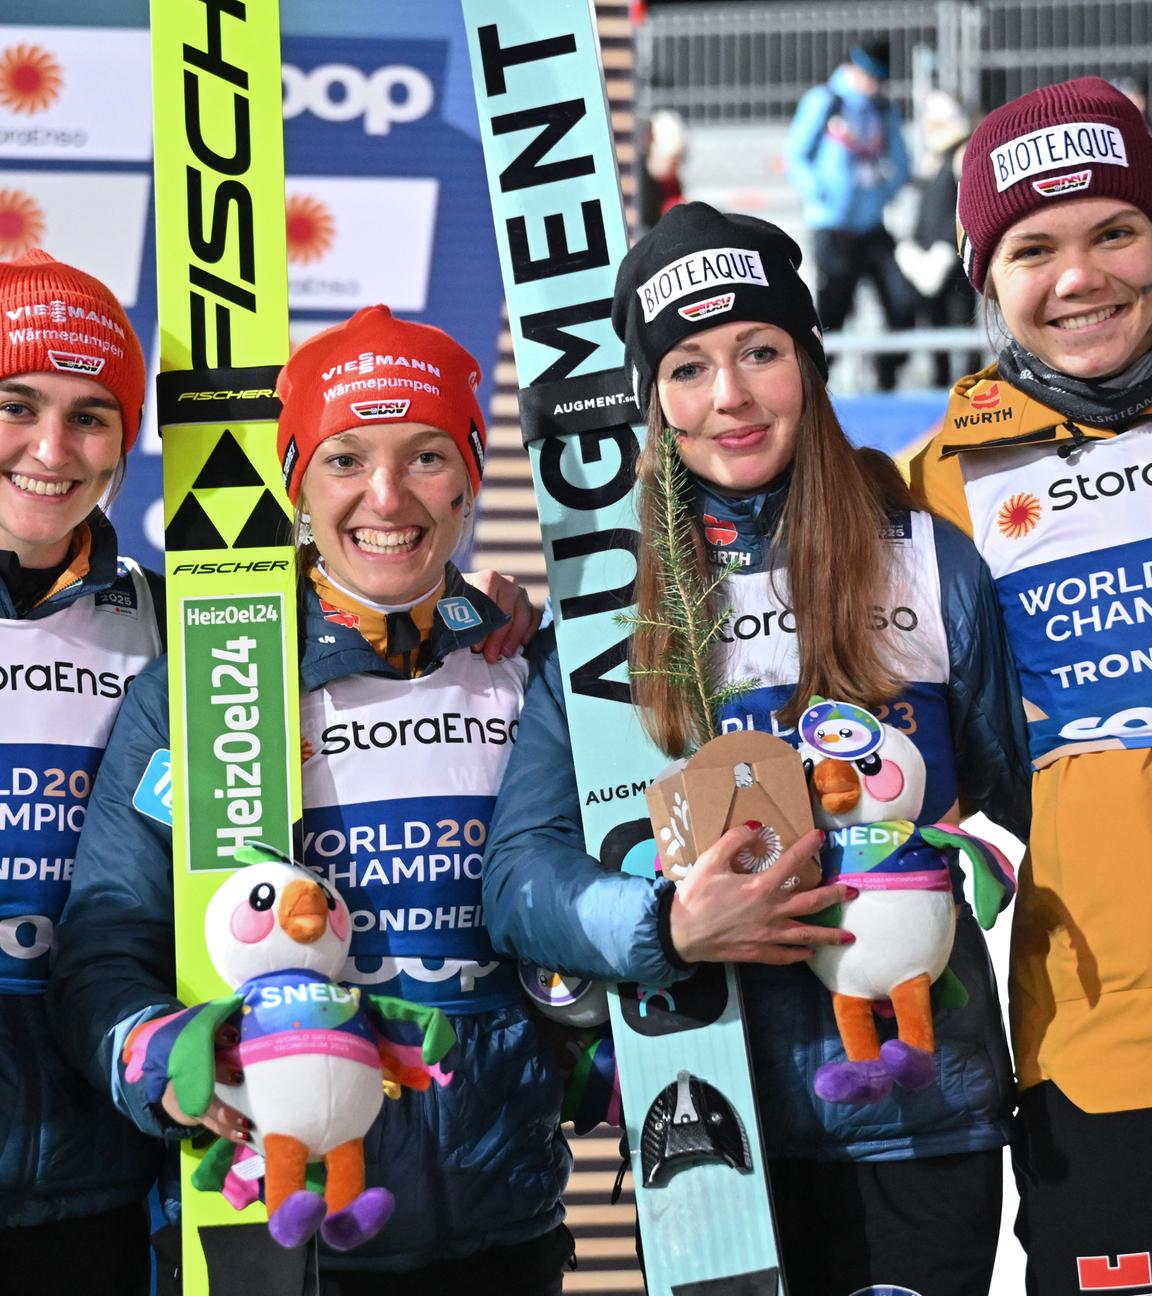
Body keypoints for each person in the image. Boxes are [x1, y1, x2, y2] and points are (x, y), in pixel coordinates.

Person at [484, 202, 1031, 1296]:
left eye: (759, 351)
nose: (729, 396)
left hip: (919, 1116)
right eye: (686, 368)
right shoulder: (608, 615)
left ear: (810, 361)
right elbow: (520, 876)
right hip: (708, 1120)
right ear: (654, 405)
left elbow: (1004, 784)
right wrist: (665, 922)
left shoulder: (928, 561)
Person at [47, 306, 572, 1294]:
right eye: (344, 459)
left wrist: (585, 1037)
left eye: (425, 455)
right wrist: (165, 1059)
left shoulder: (525, 668)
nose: (386, 496)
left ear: (469, 478)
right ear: (296, 484)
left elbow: (568, 909)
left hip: (504, 1216)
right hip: (279, 1227)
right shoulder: (215, 683)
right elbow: (105, 954)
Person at [909, 77, 1152, 1296]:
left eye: (1117, 229)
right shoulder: (937, 486)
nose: (1081, 276)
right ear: (985, 277)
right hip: (1103, 1035)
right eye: (1033, 247)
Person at [0, 249, 161, 1293]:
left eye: (90, 415)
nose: (51, 448)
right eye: (16, 404)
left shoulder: (175, 628)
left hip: (92, 1173)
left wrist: (484, 610)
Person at [786, 39, 916, 391]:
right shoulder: (825, 102)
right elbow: (796, 157)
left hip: (871, 229)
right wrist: (824, 195)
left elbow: (903, 165)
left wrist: (879, 196)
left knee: (903, 302)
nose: (874, 85)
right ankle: (816, 390)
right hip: (833, 230)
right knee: (832, 318)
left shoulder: (883, 110)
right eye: (870, 76)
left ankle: (886, 377)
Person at [895, 89, 983, 387]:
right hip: (926, 260)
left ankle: (972, 390)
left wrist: (947, 247)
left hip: (953, 260)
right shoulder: (931, 158)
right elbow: (923, 210)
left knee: (962, 328)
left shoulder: (961, 153)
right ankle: (940, 386)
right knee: (935, 330)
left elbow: (966, 205)